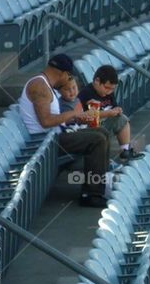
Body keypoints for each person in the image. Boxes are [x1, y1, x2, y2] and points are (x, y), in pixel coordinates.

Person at [19, 54, 110, 208]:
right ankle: (91, 194)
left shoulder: (46, 85)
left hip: (54, 136)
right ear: (62, 73)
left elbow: (55, 118)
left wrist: (79, 118)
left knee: (102, 132)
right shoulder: (39, 86)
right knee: (98, 140)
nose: (68, 79)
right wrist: (74, 113)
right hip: (44, 143)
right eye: (69, 75)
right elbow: (46, 121)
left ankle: (101, 184)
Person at [77, 65, 144, 163]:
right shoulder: (87, 93)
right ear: (97, 81)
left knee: (122, 118)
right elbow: (86, 118)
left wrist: (117, 110)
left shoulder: (109, 93)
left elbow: (113, 107)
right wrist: (108, 113)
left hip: (103, 124)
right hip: (87, 129)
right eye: (107, 88)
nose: (109, 92)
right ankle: (101, 159)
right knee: (99, 129)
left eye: (112, 89)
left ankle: (125, 150)